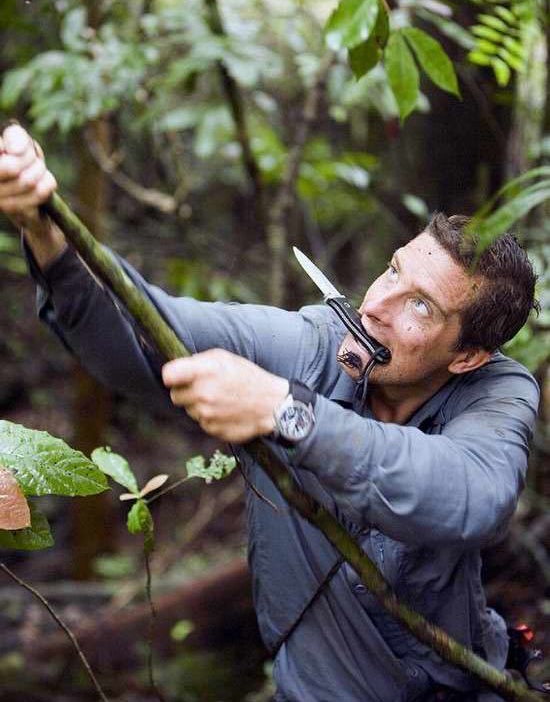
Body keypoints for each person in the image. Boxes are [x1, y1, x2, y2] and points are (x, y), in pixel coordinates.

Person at [0, 124, 540, 701]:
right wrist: (47, 231)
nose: (376, 305)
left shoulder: (497, 389)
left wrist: (287, 413)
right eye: (392, 270)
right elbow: (148, 331)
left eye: (420, 306)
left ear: (468, 356)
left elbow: (471, 495)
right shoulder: (313, 343)